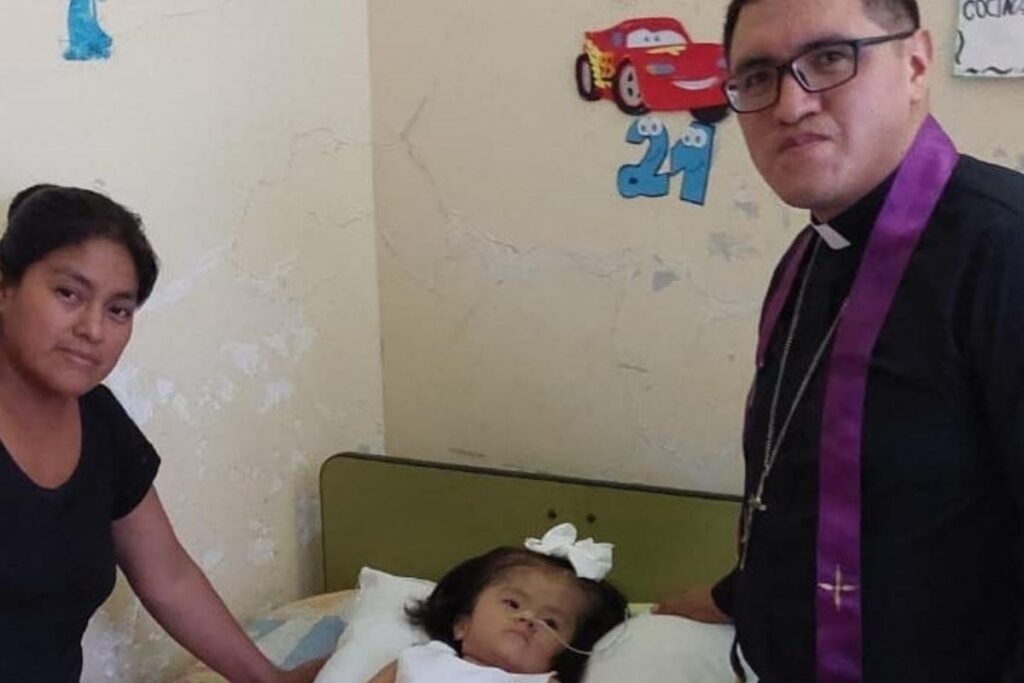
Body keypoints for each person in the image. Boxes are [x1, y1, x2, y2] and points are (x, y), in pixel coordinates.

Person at [654, 0, 1024, 681]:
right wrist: (734, 596)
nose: (791, 105)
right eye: (759, 76)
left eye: (829, 59)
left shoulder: (1003, 248)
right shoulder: (808, 256)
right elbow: (812, 492)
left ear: (914, 64)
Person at [0, 184, 325, 682]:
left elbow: (168, 577)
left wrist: (270, 681)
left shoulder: (99, 420)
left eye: (118, 310)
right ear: (6, 287)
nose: (92, 329)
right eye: (69, 294)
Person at [366, 523, 628, 683]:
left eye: (551, 622)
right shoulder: (420, 659)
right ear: (461, 624)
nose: (528, 619)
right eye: (512, 604)